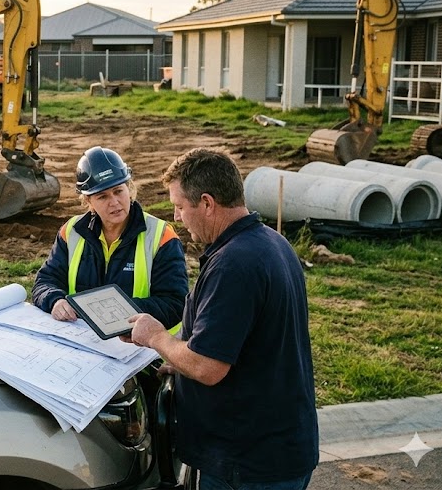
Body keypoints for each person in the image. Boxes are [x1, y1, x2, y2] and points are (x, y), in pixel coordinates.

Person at [126, 147, 318, 490]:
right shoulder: (272, 242)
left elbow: (208, 367)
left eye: (180, 207)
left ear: (207, 203)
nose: (177, 216)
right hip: (279, 448)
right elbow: (239, 342)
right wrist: (177, 359)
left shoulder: (234, 264)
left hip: (247, 463)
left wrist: (157, 337)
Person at [32, 146, 187, 329]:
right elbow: (45, 282)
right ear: (88, 200)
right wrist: (55, 300)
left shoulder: (161, 236)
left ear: (129, 188)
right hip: (84, 343)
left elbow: (175, 304)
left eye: (118, 191)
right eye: (102, 196)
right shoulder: (70, 232)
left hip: (146, 350)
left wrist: (114, 313)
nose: (114, 202)